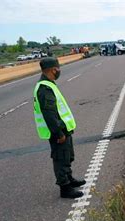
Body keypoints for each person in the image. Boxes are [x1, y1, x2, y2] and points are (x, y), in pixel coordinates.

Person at [33, 57, 86, 198]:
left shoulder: (49, 84)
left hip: (64, 129)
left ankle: (69, 179)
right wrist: (59, 133)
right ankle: (65, 188)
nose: (59, 71)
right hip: (58, 132)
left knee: (67, 156)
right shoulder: (44, 88)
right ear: (52, 69)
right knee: (61, 159)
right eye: (58, 68)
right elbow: (49, 114)